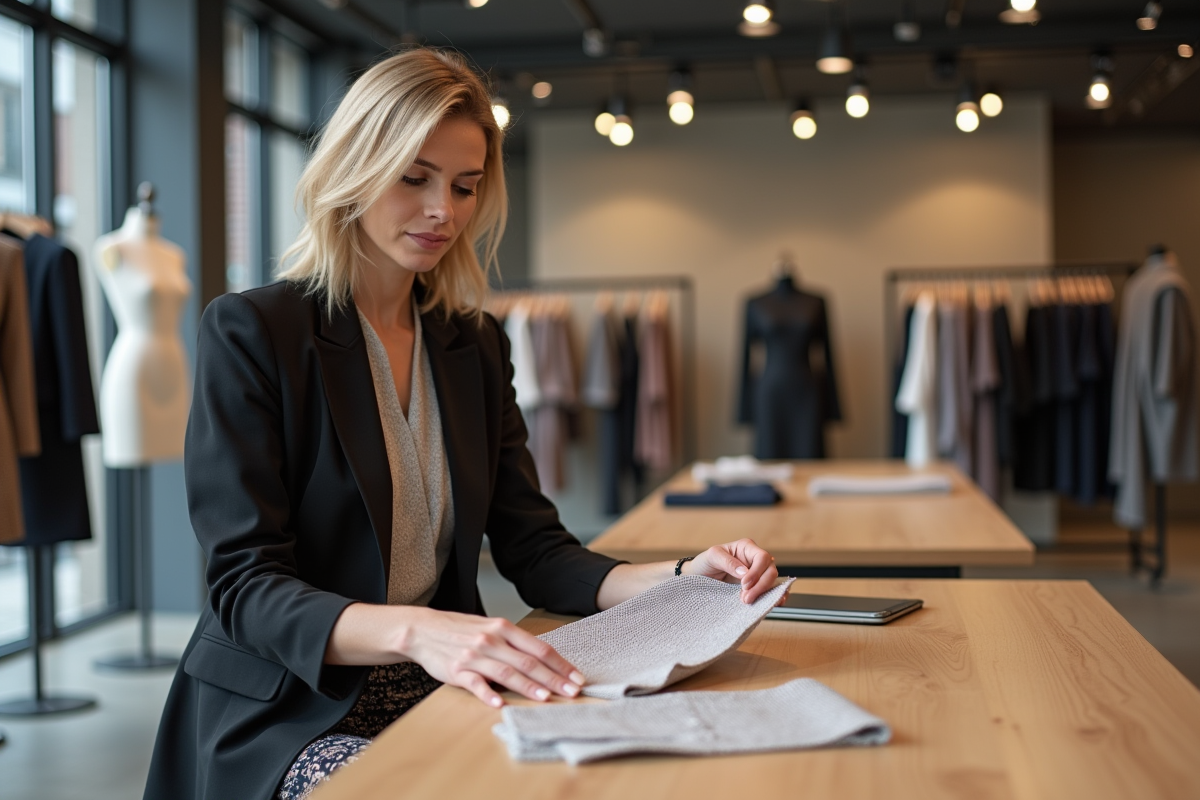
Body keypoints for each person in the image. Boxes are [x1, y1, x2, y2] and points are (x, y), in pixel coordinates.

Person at [142, 48, 784, 800]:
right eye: (414, 178)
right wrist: (419, 630)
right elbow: (245, 586)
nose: (443, 210)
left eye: (465, 185)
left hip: (442, 689)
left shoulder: (471, 343)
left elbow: (535, 548)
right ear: (356, 166)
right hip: (292, 709)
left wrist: (679, 581)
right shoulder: (256, 331)